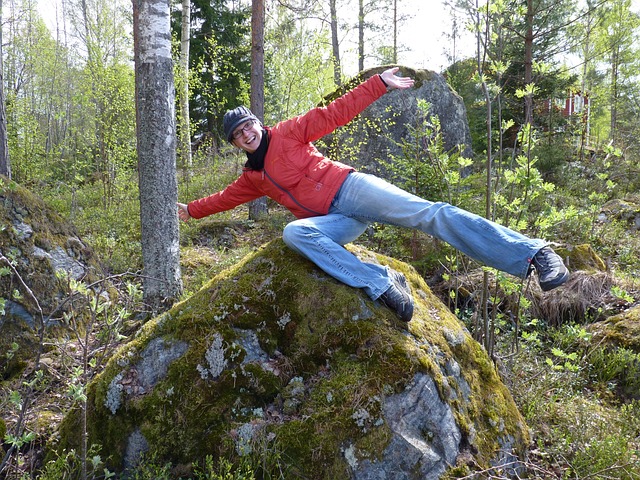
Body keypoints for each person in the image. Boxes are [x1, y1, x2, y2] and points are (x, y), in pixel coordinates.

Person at [177, 67, 569, 323]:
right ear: (236, 144)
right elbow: (223, 199)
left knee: (429, 214)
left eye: (248, 127)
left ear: (257, 124)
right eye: (237, 136)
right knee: (294, 234)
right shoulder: (253, 177)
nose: (246, 135)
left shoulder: (289, 131)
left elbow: (335, 112)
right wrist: (190, 212)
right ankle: (381, 284)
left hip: (352, 189)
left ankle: (534, 254)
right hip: (337, 222)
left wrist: (378, 85)